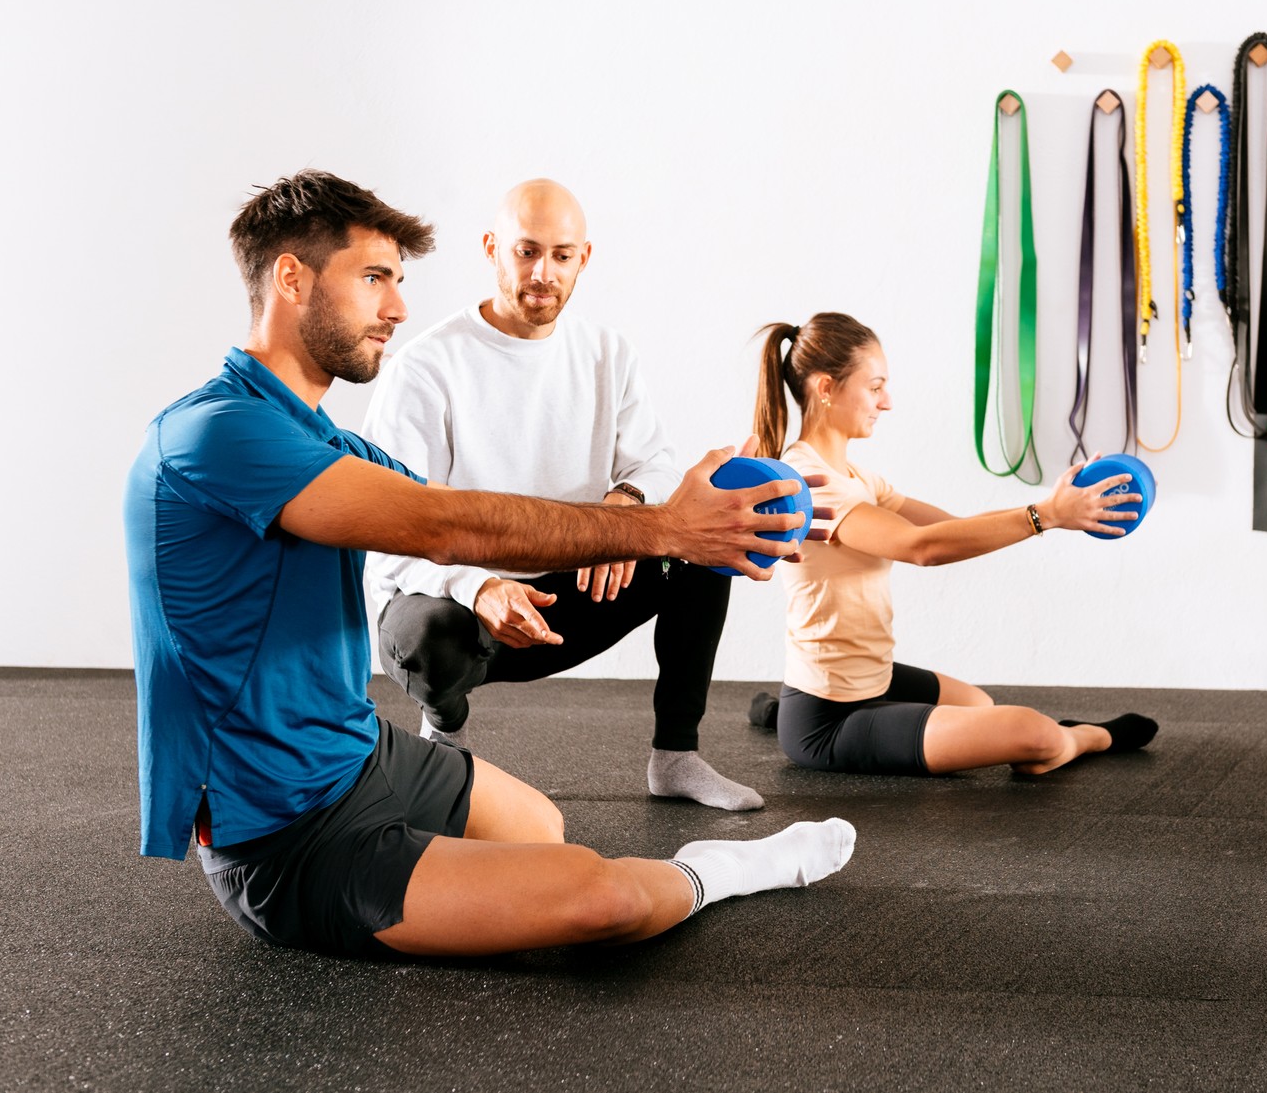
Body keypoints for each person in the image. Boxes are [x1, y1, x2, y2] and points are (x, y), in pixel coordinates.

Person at [123, 170, 852, 960]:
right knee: (599, 896)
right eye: (374, 278)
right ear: (292, 278)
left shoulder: (310, 434)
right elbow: (439, 523)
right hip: (290, 834)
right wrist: (666, 529)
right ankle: (726, 869)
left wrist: (677, 513)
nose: (397, 307)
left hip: (359, 751)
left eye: (397, 282)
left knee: (543, 830)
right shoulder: (218, 435)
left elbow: (485, 509)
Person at [363, 179, 759, 811]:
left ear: (584, 258)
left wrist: (623, 514)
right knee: (426, 634)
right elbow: (387, 532)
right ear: (492, 248)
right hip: (466, 612)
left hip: (571, 593)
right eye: (525, 252)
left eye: (561, 255)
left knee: (701, 548)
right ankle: (445, 739)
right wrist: (479, 586)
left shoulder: (608, 354)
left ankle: (677, 757)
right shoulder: (426, 366)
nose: (542, 272)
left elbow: (653, 463)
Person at [747, 312, 1161, 778]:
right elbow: (923, 547)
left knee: (977, 704)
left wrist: (1053, 510)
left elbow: (952, 527)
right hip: (830, 718)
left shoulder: (858, 478)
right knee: (1035, 734)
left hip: (872, 678)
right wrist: (1044, 517)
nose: (886, 402)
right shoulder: (812, 482)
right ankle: (1087, 736)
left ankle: (776, 711)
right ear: (826, 388)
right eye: (875, 386)